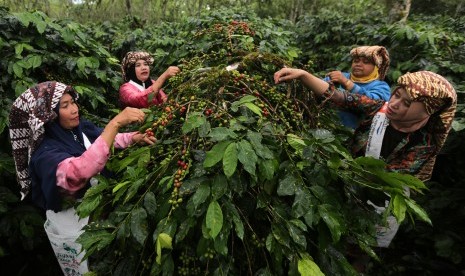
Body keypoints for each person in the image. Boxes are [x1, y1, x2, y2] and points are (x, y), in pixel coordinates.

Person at [274, 68, 457, 251]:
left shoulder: (424, 143)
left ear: (425, 112)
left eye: (407, 103)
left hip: (380, 200)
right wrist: (303, 75)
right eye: (397, 95)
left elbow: (389, 177)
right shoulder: (379, 108)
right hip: (346, 184)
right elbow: (340, 97)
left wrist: (344, 169)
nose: (394, 103)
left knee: (362, 246)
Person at [9, 81, 156, 275]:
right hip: (74, 228)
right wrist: (116, 122)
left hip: (99, 221)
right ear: (48, 116)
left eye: (73, 102)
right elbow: (78, 173)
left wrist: (132, 138)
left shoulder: (78, 130)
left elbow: (100, 140)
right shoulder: (44, 154)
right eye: (65, 106)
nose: (74, 109)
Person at [323, 45, 391, 128]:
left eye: (366, 62)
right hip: (327, 127)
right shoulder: (340, 76)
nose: (358, 64)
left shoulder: (381, 86)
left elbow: (375, 104)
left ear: (376, 67)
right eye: (356, 61)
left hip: (355, 134)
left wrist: (347, 84)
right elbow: (320, 86)